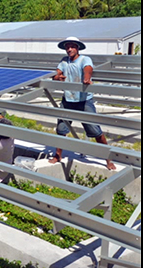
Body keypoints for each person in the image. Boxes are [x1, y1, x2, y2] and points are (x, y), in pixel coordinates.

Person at [49, 37, 116, 170]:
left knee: (95, 130)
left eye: (72, 47)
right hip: (68, 99)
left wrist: (86, 78)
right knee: (61, 129)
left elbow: (88, 69)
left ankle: (108, 159)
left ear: (77, 48)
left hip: (84, 100)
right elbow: (56, 73)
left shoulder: (84, 59)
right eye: (67, 47)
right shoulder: (64, 61)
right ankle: (58, 155)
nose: (69, 49)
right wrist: (57, 77)